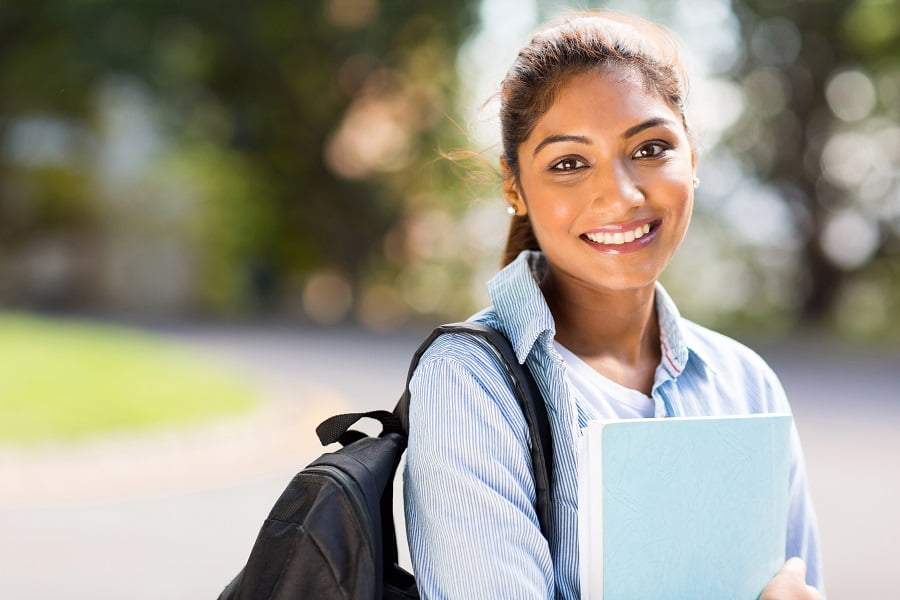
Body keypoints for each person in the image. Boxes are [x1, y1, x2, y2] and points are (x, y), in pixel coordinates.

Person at [403, 11, 824, 600]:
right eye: (569, 163)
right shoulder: (470, 385)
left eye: (651, 148)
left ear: (693, 159)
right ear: (515, 187)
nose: (622, 195)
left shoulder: (746, 384)